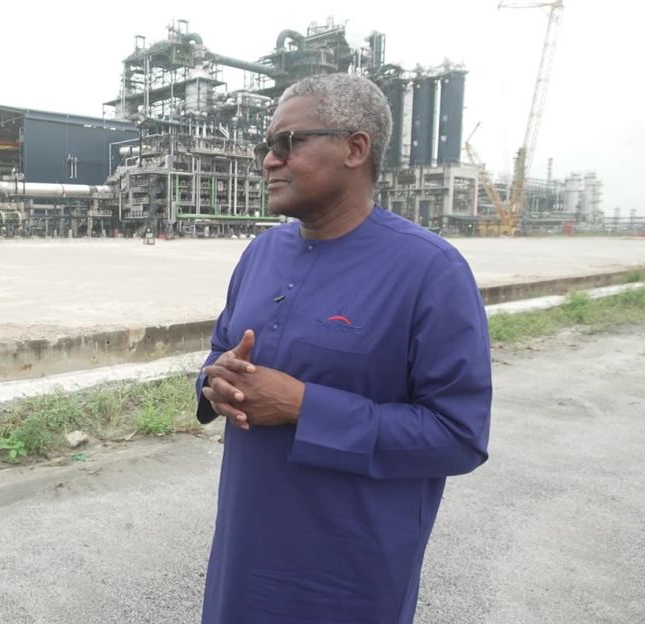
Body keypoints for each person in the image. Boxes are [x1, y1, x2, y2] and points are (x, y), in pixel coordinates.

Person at [196, 73, 492, 623]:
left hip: (349, 578)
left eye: (290, 142)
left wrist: (305, 407)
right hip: (245, 559)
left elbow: (458, 436)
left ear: (356, 148)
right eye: (267, 145)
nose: (269, 160)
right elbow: (219, 351)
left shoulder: (430, 270)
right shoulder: (260, 254)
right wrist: (214, 380)